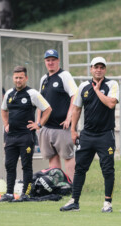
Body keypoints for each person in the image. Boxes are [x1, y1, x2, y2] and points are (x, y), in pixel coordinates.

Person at [60, 57, 119, 213]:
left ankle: (107, 203)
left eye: (101, 67)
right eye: (96, 67)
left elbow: (111, 103)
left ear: (105, 69)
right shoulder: (83, 86)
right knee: (80, 168)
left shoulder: (112, 84)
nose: (98, 69)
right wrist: (73, 130)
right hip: (87, 135)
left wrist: (97, 91)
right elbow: (77, 109)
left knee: (107, 169)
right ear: (91, 69)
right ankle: (74, 201)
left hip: (105, 135)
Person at [0, 66, 52, 202]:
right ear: (13, 78)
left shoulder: (32, 93)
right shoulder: (9, 94)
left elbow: (47, 109)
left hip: (26, 136)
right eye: (16, 78)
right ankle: (9, 193)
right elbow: (3, 110)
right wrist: (6, 125)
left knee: (26, 165)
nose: (18, 80)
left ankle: (26, 194)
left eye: (21, 77)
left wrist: (38, 124)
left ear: (26, 78)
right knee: (9, 165)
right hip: (11, 136)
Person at [38, 49, 78, 181]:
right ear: (45, 62)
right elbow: (40, 101)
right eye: (48, 60)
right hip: (47, 127)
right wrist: (39, 122)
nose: (50, 63)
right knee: (52, 157)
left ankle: (73, 185)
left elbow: (75, 95)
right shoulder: (44, 79)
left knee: (68, 156)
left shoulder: (64, 75)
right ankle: (58, 184)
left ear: (58, 61)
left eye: (53, 60)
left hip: (62, 127)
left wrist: (69, 117)